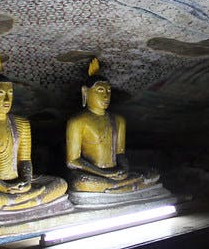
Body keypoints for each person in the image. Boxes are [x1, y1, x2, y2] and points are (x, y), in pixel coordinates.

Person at [0, 51, 67, 212]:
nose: (6, 100)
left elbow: (24, 160)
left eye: (10, 94)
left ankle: (17, 201)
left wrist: (26, 182)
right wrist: (4, 187)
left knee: (61, 184)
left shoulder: (21, 123)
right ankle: (30, 201)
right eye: (0, 93)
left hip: (19, 184)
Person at [65, 58, 159, 194]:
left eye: (108, 91)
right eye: (100, 90)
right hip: (94, 174)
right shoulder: (77, 121)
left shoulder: (118, 120)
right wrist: (104, 173)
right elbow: (72, 161)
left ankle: (115, 187)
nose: (106, 96)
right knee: (80, 183)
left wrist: (124, 169)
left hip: (115, 173)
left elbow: (120, 153)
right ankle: (125, 187)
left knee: (152, 173)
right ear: (85, 92)